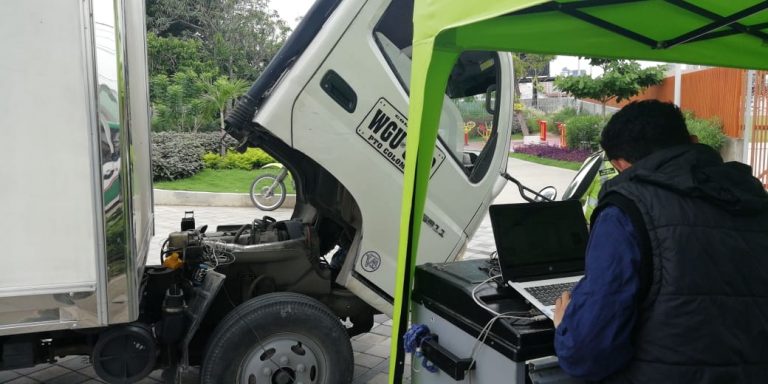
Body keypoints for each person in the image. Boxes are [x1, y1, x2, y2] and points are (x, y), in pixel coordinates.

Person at [552, 100, 768, 382]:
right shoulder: (756, 199)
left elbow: (587, 354)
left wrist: (567, 326)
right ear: (693, 141)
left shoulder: (625, 210)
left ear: (620, 165)